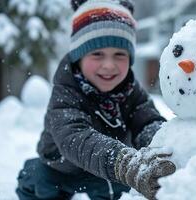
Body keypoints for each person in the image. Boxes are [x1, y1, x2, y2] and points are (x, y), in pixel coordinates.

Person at [15, 0, 176, 199]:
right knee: (36, 179)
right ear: (78, 57)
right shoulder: (66, 90)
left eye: (119, 54)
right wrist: (123, 162)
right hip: (63, 170)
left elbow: (148, 122)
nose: (109, 65)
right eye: (97, 54)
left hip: (106, 177)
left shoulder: (131, 90)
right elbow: (74, 137)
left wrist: (164, 147)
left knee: (129, 191)